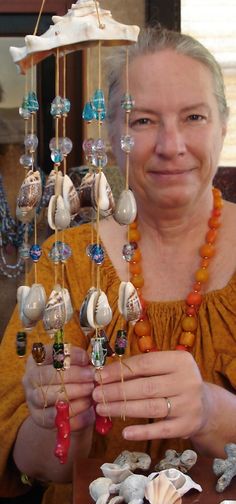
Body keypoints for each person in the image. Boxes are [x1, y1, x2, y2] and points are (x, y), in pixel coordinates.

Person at [0, 25, 236, 504]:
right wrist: (62, 422)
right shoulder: (63, 264)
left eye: (193, 116)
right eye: (143, 121)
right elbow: (30, 463)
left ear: (223, 124)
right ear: (110, 135)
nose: (171, 146)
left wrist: (214, 412)